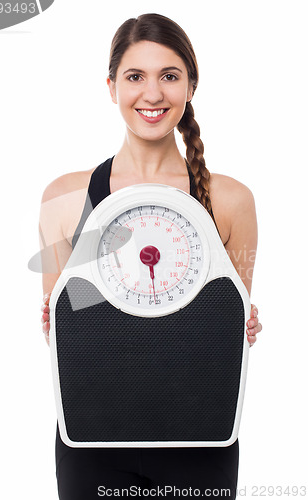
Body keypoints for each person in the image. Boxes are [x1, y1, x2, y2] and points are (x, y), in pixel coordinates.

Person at [39, 13, 262, 500]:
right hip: (92, 435)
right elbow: (61, 327)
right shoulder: (64, 196)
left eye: (170, 76)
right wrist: (55, 315)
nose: (153, 94)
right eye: (135, 76)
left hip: (200, 431)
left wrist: (242, 322)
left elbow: (229, 322)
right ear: (112, 86)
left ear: (190, 85)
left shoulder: (230, 200)